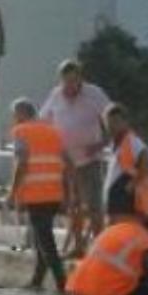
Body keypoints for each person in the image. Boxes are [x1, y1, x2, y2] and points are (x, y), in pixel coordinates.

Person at [40, 59, 112, 254]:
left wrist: (101, 143)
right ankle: (79, 246)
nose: (70, 86)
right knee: (73, 206)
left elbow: (113, 118)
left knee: (94, 206)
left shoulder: (94, 94)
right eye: (66, 81)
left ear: (80, 78)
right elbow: (44, 122)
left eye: (73, 80)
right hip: (64, 161)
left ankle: (100, 249)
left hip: (89, 159)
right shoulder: (55, 95)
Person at [5, 97, 71, 292]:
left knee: (45, 241)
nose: (13, 119)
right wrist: (68, 194)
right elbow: (68, 164)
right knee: (40, 238)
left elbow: (22, 163)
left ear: (21, 114)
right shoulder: (53, 131)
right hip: (54, 193)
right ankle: (37, 281)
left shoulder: (22, 132)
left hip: (36, 194)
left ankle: (63, 284)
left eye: (14, 115)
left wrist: (12, 193)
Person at [102, 102, 148, 218]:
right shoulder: (116, 143)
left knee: (124, 226)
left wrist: (132, 184)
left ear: (125, 122)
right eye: (108, 122)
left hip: (125, 200)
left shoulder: (131, 140)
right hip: (117, 198)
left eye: (116, 122)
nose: (111, 126)